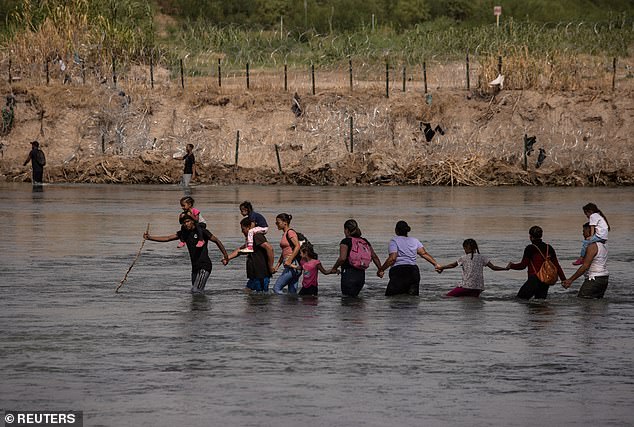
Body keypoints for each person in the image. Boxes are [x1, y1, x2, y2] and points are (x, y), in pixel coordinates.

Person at [143, 215, 229, 295]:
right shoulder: (184, 234)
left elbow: (217, 241)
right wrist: (150, 238)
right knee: (196, 291)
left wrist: (226, 256)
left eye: (188, 221)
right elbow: (168, 238)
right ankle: (198, 311)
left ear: (193, 221)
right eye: (184, 222)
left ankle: (202, 309)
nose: (186, 224)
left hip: (204, 266)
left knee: (196, 291)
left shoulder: (202, 232)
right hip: (195, 267)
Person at [377, 220, 441, 296]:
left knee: (392, 298)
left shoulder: (394, 241)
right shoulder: (415, 240)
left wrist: (381, 269)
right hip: (413, 272)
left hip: (399, 272)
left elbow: (393, 258)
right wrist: (436, 264)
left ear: (396, 230)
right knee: (412, 301)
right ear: (407, 230)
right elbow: (423, 253)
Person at [507, 225, 567, 300]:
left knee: (519, 300)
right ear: (541, 235)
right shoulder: (549, 248)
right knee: (540, 304)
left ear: (530, 237)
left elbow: (523, 266)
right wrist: (564, 280)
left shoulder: (530, 248)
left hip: (534, 279)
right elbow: (557, 266)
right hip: (545, 281)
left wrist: (511, 266)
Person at [436, 238, 508, 297]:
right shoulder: (482, 257)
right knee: (472, 302)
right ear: (475, 248)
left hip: (465, 287)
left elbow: (452, 265)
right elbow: (494, 267)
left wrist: (441, 267)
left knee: (445, 297)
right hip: (478, 288)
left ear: (465, 248)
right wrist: (505, 268)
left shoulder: (463, 258)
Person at [329, 219, 381, 297]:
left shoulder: (345, 241)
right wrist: (380, 269)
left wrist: (334, 268)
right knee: (356, 302)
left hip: (349, 275)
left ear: (346, 230)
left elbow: (342, 258)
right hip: (361, 276)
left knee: (347, 301)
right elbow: (374, 256)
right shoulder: (364, 241)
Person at [224, 217, 275, 293]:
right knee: (250, 294)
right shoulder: (250, 239)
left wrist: (270, 266)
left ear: (248, 228)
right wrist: (227, 258)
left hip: (261, 273)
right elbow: (240, 250)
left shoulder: (257, 236)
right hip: (254, 273)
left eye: (243, 229)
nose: (242, 232)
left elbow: (269, 248)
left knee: (261, 295)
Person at [563, 222, 609, 298]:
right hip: (604, 278)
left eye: (584, 231)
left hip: (594, 278)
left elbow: (585, 266)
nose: (583, 234)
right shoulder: (604, 245)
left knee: (583, 301)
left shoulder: (592, 246)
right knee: (596, 304)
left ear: (590, 231)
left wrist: (570, 280)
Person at [272, 213, 302, 295]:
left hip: (292, 266)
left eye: (278, 222)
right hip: (293, 266)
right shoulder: (285, 234)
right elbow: (284, 252)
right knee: (292, 293)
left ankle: (282, 307)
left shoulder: (290, 232)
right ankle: (291, 307)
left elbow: (297, 246)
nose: (276, 224)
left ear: (285, 222)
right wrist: (276, 266)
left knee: (276, 289)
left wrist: (289, 260)